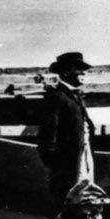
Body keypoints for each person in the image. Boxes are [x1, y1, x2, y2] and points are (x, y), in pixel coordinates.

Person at [38, 52, 96, 208]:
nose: (83, 73)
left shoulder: (75, 96)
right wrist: (55, 163)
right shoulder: (57, 97)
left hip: (82, 155)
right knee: (67, 198)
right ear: (65, 72)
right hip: (68, 162)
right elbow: (48, 133)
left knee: (83, 195)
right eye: (78, 69)